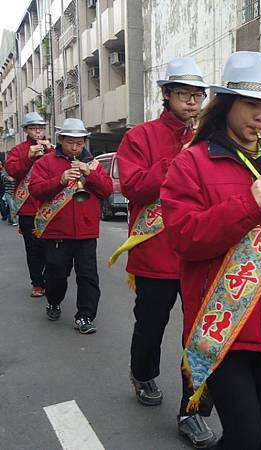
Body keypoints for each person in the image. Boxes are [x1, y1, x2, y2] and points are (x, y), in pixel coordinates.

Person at [161, 51, 261, 449]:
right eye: (252, 105)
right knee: (244, 434)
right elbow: (184, 237)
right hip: (223, 324)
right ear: (227, 104)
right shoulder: (192, 164)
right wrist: (249, 202)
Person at [111, 57, 216, 449]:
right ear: (166, 95)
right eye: (184, 94)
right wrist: (182, 157)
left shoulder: (211, 136)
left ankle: (192, 410)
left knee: (200, 335)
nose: (192, 102)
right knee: (151, 325)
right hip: (155, 254)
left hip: (201, 253)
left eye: (198, 95)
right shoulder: (140, 137)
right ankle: (142, 373)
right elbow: (135, 187)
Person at [29, 118, 112, 333]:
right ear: (61, 140)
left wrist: (90, 174)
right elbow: (36, 190)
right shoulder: (45, 163)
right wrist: (60, 180)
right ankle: (54, 300)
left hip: (86, 231)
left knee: (88, 276)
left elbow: (106, 191)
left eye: (80, 143)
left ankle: (85, 316)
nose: (75, 147)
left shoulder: (92, 163)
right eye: (70, 142)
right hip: (57, 230)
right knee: (56, 274)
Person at [5, 112, 53, 296]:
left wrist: (49, 152)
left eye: (41, 128)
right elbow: (12, 171)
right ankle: (38, 283)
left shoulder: (52, 149)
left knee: (52, 249)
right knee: (33, 250)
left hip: (51, 207)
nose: (38, 132)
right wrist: (28, 157)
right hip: (28, 209)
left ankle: (50, 279)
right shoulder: (18, 150)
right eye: (33, 128)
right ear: (26, 130)